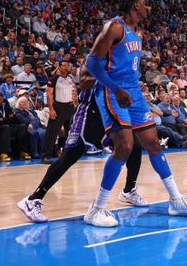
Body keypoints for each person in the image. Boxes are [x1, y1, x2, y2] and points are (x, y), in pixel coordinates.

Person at [83, 0, 187, 227]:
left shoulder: (137, 33)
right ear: (136, 5)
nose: (147, 8)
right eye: (145, 4)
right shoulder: (114, 27)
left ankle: (176, 200)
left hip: (134, 93)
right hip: (112, 91)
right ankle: (96, 209)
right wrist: (115, 88)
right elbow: (91, 63)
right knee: (125, 146)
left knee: (153, 143)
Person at [17, 67, 147, 224]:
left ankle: (128, 190)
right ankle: (33, 199)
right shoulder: (97, 57)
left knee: (134, 146)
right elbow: (84, 83)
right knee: (69, 157)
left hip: (112, 113)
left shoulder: (122, 60)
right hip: (90, 113)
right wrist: (111, 80)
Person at [41, 61, 77, 163]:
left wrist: (74, 102)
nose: (66, 67)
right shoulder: (54, 79)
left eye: (68, 66)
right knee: (52, 132)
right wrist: (51, 109)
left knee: (70, 132)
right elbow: (49, 95)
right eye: (64, 66)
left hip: (69, 107)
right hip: (58, 107)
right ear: (59, 67)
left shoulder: (70, 78)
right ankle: (46, 155)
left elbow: (73, 91)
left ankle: (68, 154)